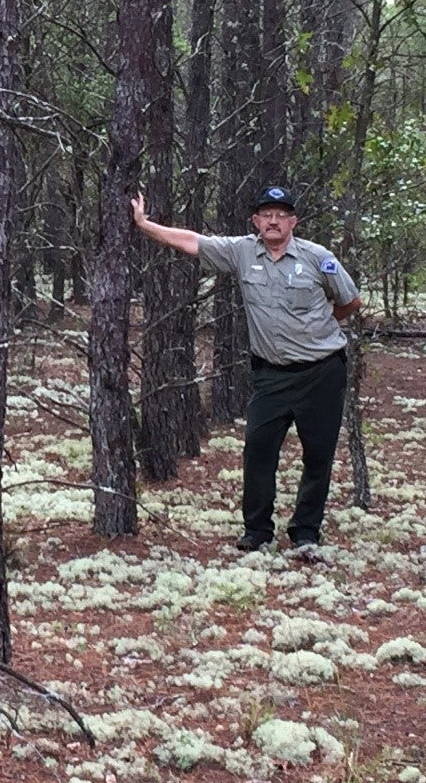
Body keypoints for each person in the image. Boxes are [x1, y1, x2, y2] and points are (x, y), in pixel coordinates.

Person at [131, 185, 362, 553]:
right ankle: (257, 531)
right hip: (271, 375)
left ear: (293, 222)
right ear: (256, 221)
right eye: (266, 214)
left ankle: (305, 532)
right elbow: (193, 241)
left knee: (318, 454)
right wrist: (145, 226)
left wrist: (317, 328)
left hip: (322, 372)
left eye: (281, 214)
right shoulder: (241, 252)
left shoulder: (319, 257)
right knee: (258, 449)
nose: (273, 221)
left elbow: (349, 301)